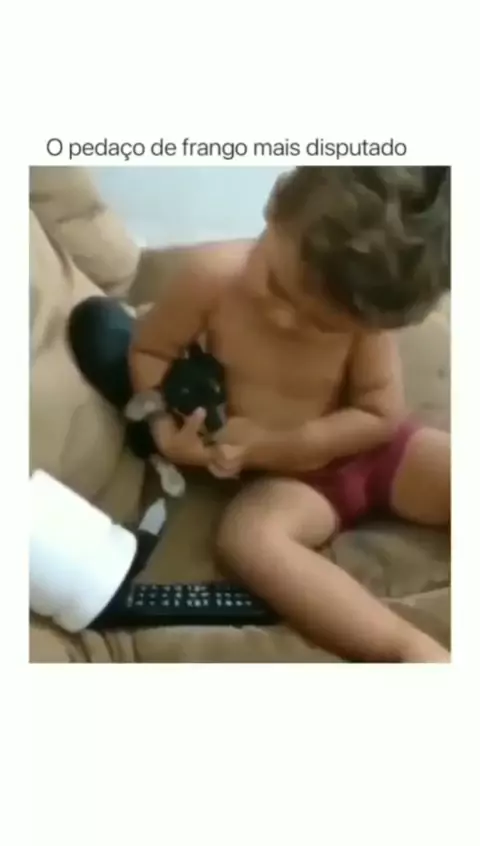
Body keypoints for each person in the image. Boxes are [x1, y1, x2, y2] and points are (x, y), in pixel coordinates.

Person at [129, 166, 451, 663]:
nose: (286, 318)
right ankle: (407, 648)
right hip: (291, 484)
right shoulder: (211, 278)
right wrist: (166, 430)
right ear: (273, 206)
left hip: (375, 454)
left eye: (323, 325)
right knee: (248, 540)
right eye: (277, 287)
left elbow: (380, 413)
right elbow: (150, 352)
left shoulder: (364, 320)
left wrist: (289, 442)